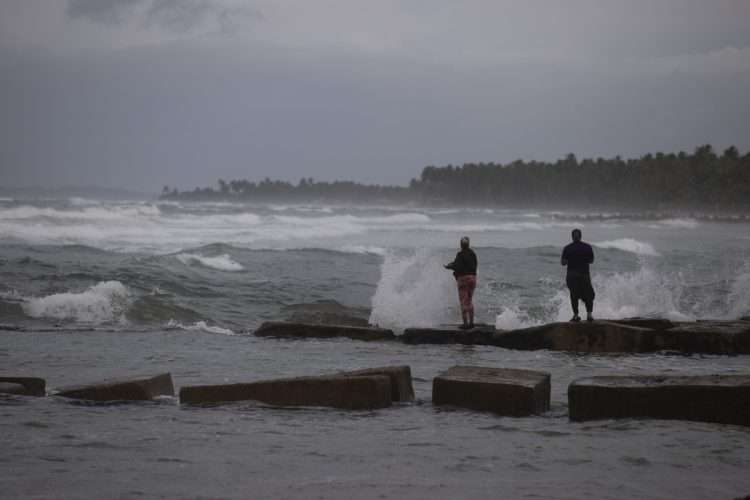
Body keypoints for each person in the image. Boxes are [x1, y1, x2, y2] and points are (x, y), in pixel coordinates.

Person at [561, 228, 595, 322]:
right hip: (584, 275)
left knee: (574, 295)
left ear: (572, 237)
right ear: (581, 236)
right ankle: (589, 315)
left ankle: (576, 315)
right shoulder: (587, 247)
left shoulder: (567, 248)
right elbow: (591, 261)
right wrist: (582, 259)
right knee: (589, 295)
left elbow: (563, 263)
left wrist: (571, 259)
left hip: (572, 276)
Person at [444, 236, 478, 329]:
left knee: (463, 301)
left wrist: (448, 266)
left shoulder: (460, 254)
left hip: (463, 279)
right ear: (469, 244)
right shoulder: (473, 254)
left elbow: (456, 266)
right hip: (473, 278)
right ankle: (471, 323)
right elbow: (474, 266)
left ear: (461, 245)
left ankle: (465, 324)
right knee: (469, 301)